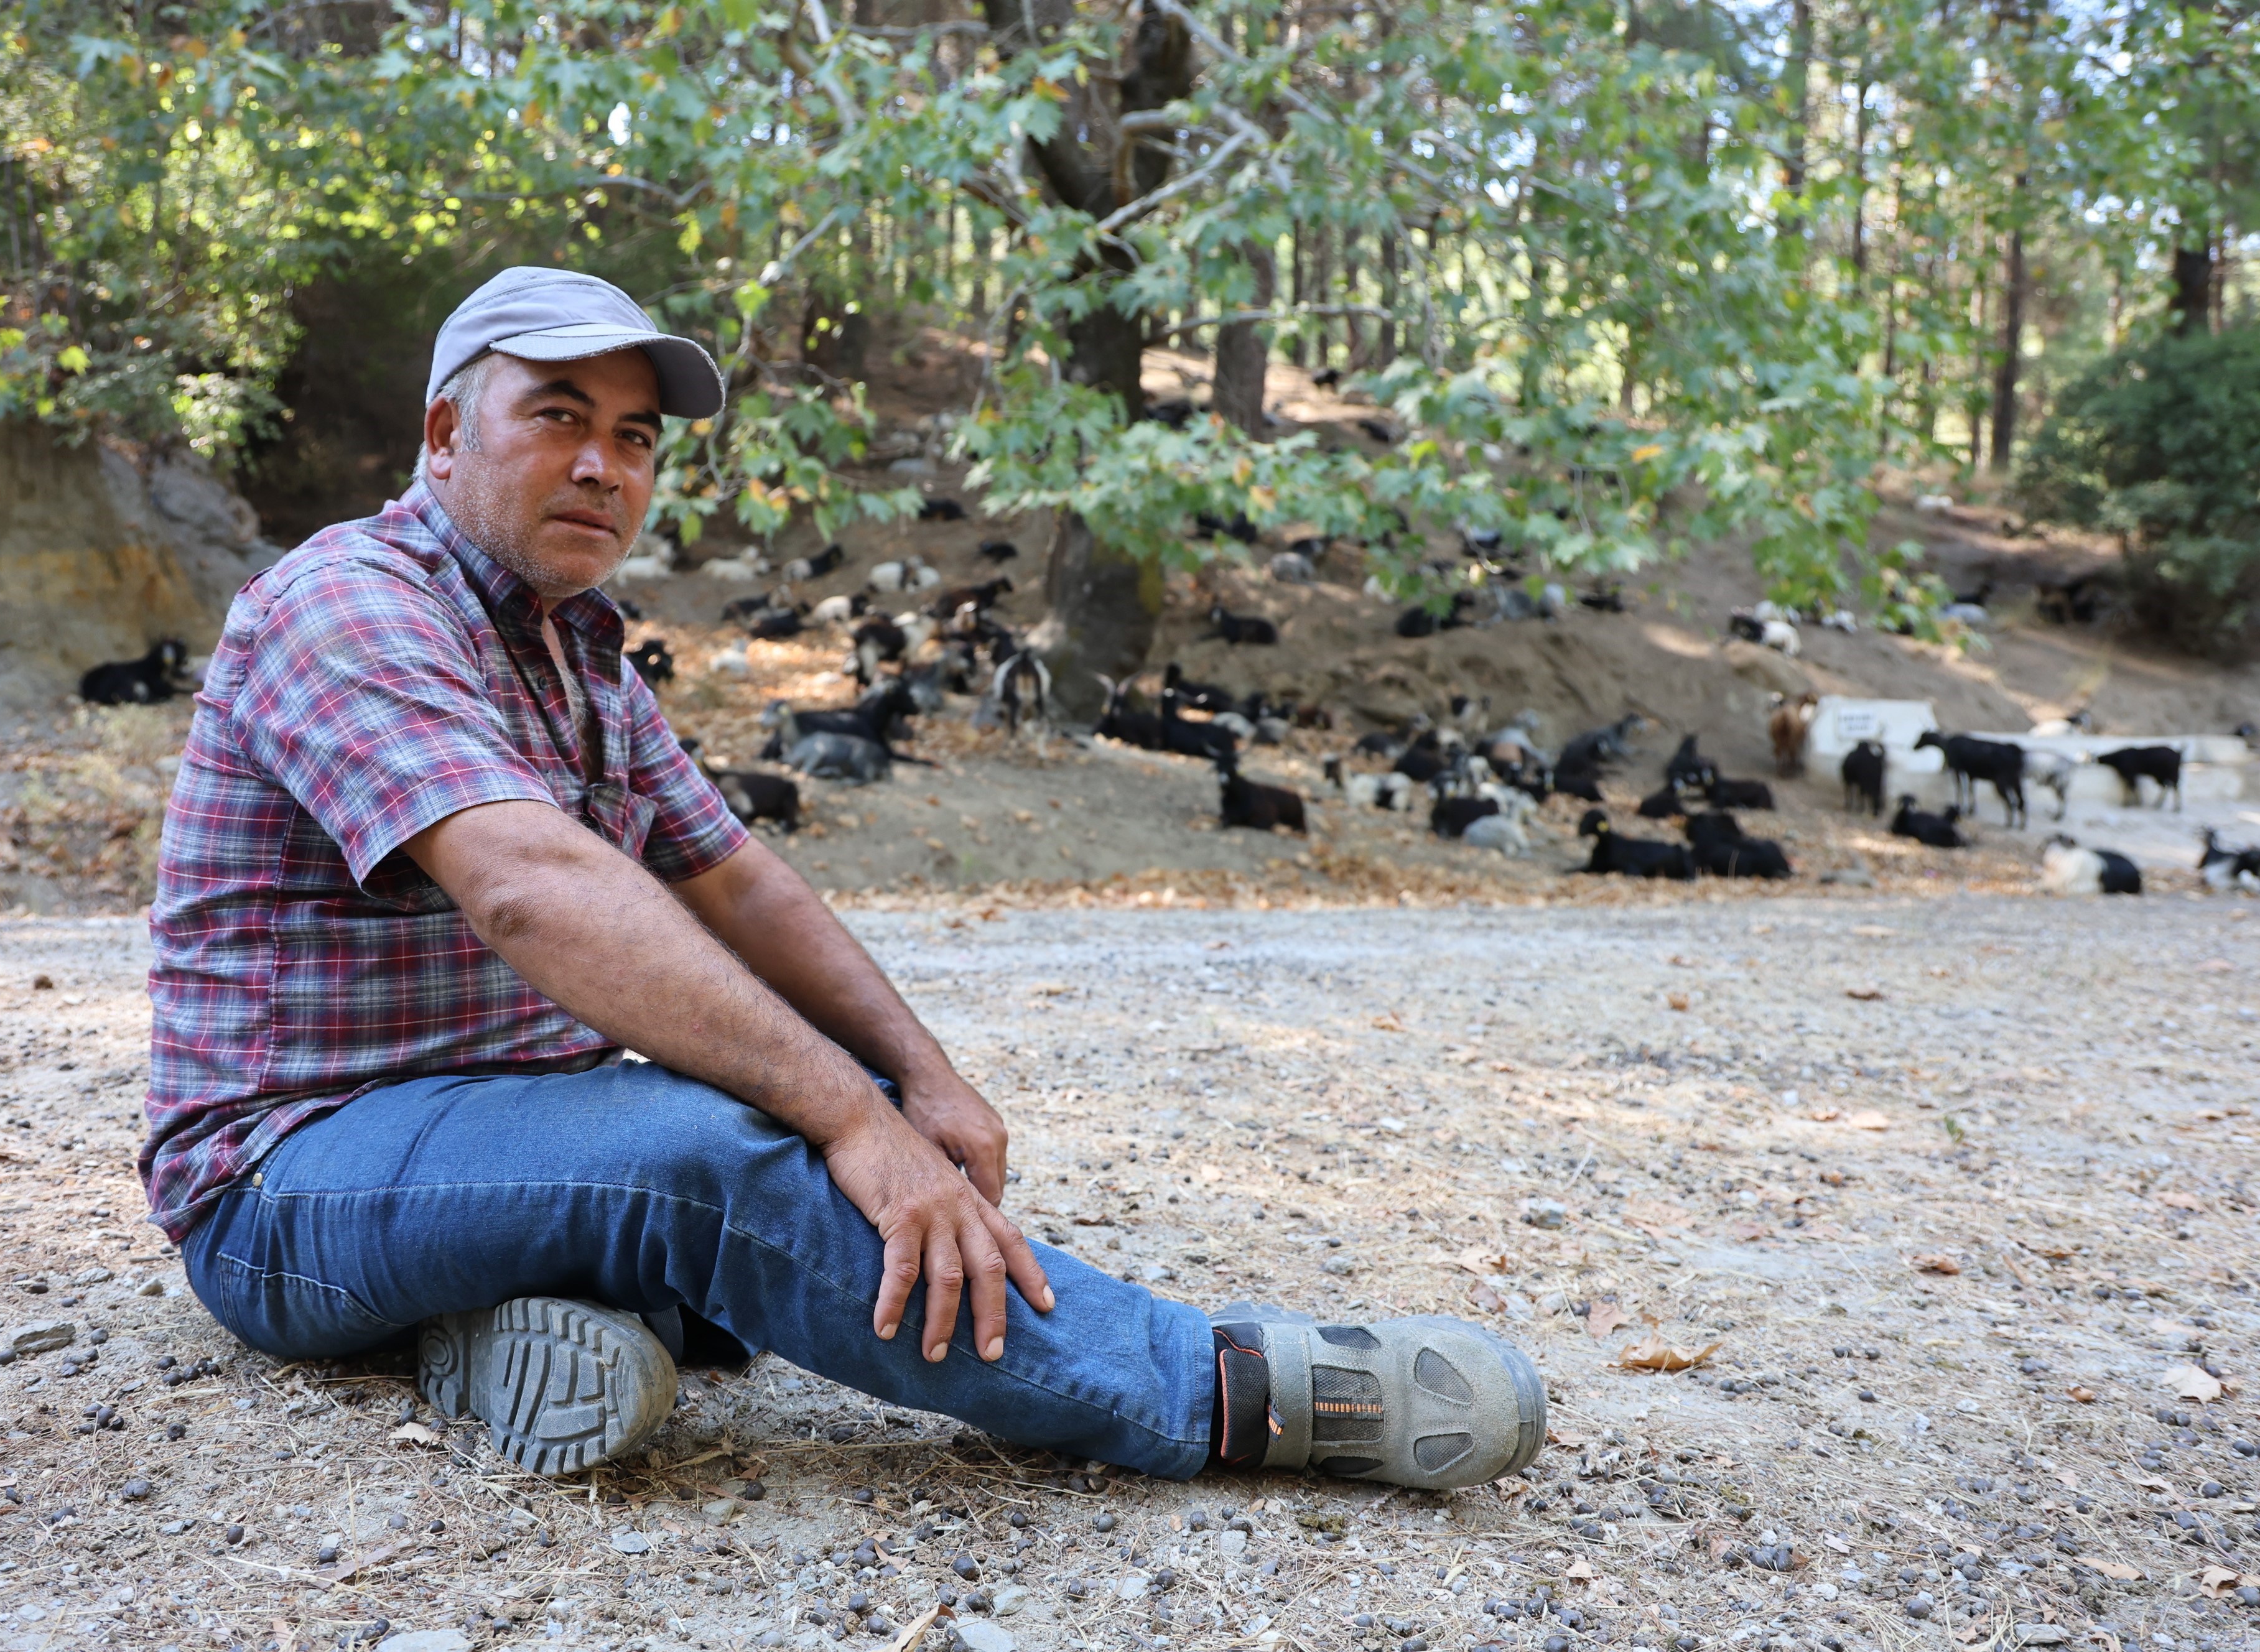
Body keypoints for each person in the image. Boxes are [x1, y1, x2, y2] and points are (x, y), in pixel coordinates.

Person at [138, 265, 1544, 1488]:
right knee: (715, 1153)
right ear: (446, 432)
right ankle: (1212, 1386)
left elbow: (739, 882)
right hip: (286, 1185)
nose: (603, 464)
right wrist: (842, 1123)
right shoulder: (348, 601)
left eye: (635, 436)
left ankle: (477, 1331)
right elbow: (523, 882)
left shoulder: (577, 651)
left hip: (491, 1140)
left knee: (837, 1108)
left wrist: (917, 1083)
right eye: (557, 414)